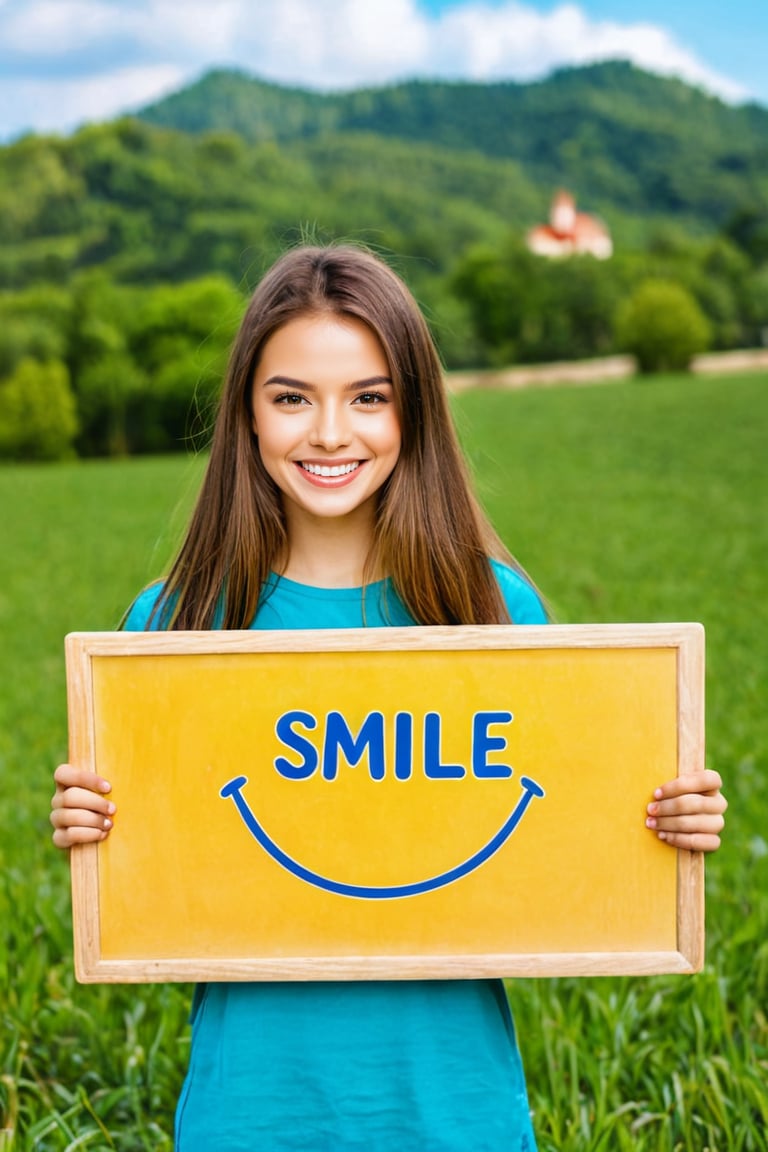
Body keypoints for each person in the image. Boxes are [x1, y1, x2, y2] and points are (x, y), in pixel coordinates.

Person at [51, 244, 727, 1150]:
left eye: (369, 397)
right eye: (291, 397)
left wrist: (663, 824)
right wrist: (97, 827)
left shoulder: (490, 610)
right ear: (247, 417)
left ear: (415, 414)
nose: (330, 433)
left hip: (455, 1110)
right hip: (249, 1112)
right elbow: (162, 875)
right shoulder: (173, 625)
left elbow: (562, 826)